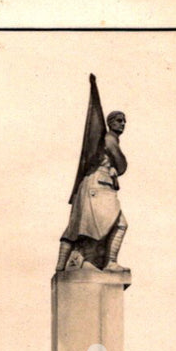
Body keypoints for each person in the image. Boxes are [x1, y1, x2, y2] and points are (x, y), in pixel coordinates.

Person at [56, 110, 128, 271]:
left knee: (84, 226)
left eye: (124, 121)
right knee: (115, 224)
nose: (123, 124)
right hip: (99, 187)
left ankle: (72, 263)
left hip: (95, 186)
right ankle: (107, 262)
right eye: (119, 120)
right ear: (110, 123)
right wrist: (118, 167)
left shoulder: (106, 140)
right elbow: (121, 163)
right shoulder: (110, 139)